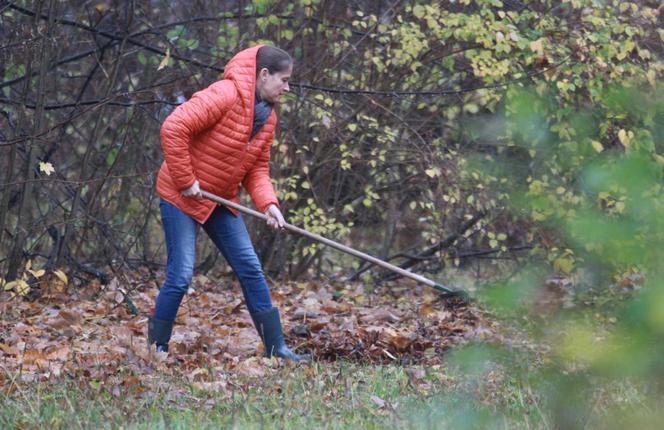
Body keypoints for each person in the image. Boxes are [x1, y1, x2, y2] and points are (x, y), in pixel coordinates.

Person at [148, 45, 307, 361]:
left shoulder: (268, 117)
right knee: (180, 276)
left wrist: (269, 205)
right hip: (181, 195)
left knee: (250, 266)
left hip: (220, 199)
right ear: (264, 75)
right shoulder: (224, 94)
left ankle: (277, 348)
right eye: (284, 79)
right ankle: (157, 350)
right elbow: (173, 127)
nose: (287, 88)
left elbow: (257, 169)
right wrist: (186, 180)